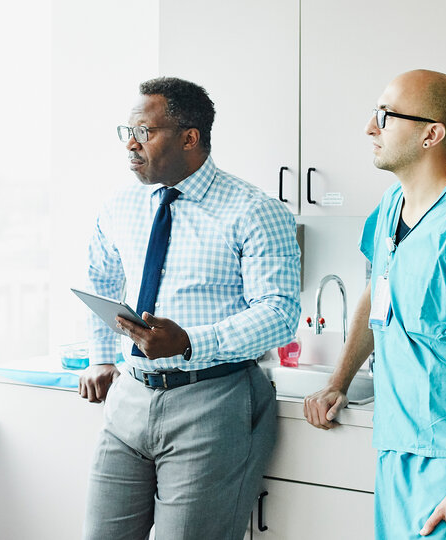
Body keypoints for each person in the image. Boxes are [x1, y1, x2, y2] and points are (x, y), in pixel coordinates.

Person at [303, 70, 446, 540]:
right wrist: (337, 382)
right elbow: (375, 297)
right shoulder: (390, 209)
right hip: (397, 440)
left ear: (432, 134)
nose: (370, 127)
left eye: (385, 116)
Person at [77, 77, 301, 540]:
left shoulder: (256, 211)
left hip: (212, 401)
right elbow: (99, 279)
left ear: (189, 137)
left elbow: (279, 313)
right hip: (129, 400)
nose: (131, 145)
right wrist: (101, 356)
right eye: (127, 132)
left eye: (145, 131)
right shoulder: (120, 206)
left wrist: (191, 342)